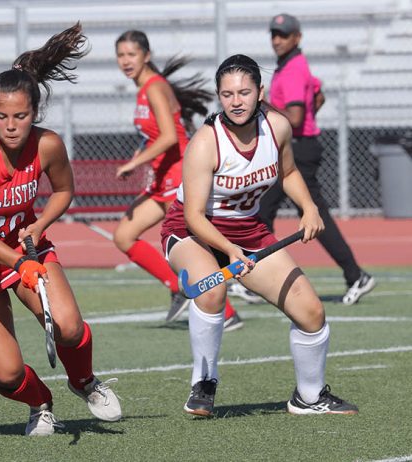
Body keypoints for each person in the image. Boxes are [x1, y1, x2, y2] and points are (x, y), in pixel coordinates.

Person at [0, 23, 121, 436]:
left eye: (20, 116)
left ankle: (85, 382)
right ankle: (40, 403)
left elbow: (64, 191)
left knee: (69, 327)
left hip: (25, 248)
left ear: (34, 113)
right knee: (7, 375)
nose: (10, 125)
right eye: (1, 116)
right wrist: (20, 263)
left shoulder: (48, 145)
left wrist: (39, 225)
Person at [160, 54, 358, 417]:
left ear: (260, 92)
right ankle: (203, 382)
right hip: (192, 232)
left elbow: (289, 172)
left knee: (311, 312)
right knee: (211, 289)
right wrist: (229, 250)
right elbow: (193, 216)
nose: (236, 101)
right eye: (227, 94)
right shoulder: (206, 142)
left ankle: (309, 397)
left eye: (244, 92)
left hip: (248, 231)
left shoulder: (277, 126)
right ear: (219, 97)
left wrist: (309, 207)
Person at [114, 29, 243, 331]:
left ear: (146, 56)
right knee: (124, 236)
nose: (125, 61)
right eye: (120, 55)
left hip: (180, 175)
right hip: (164, 178)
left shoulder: (155, 87)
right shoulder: (145, 88)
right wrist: (141, 153)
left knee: (189, 246)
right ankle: (179, 288)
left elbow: (171, 137)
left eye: (132, 54)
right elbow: (155, 134)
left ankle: (225, 312)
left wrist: (134, 163)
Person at [259, 13, 376, 305]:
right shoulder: (293, 65)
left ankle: (260, 278)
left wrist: (262, 107)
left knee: (269, 214)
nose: (277, 40)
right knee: (285, 213)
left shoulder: (293, 68)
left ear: (297, 37)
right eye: (274, 34)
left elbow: (296, 117)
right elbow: (318, 96)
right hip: (299, 147)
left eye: (283, 35)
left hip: (296, 151)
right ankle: (354, 275)